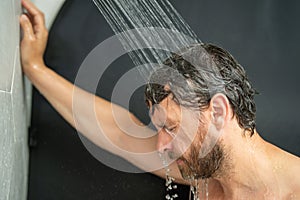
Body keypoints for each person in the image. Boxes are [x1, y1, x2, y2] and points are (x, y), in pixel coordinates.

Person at [20, 0, 300, 199]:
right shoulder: (205, 175)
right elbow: (119, 132)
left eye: (172, 127)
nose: (160, 145)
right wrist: (35, 69)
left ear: (217, 112)